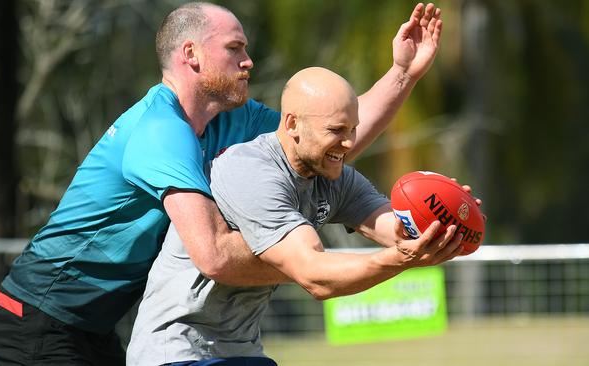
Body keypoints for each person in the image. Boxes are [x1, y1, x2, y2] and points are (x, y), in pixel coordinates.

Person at [0, 2, 443, 365]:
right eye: (235, 48)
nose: (248, 60)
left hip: (96, 326)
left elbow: (324, 136)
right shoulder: (160, 132)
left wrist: (404, 71)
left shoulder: (234, 120)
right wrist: (304, 258)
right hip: (38, 317)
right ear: (191, 55)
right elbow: (215, 256)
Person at [127, 67, 469, 366]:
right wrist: (399, 260)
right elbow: (314, 276)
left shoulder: (335, 178)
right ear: (292, 124)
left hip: (242, 351)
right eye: (337, 130)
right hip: (176, 350)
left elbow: (398, 232)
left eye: (353, 129)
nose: (349, 143)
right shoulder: (251, 171)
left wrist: (440, 217)